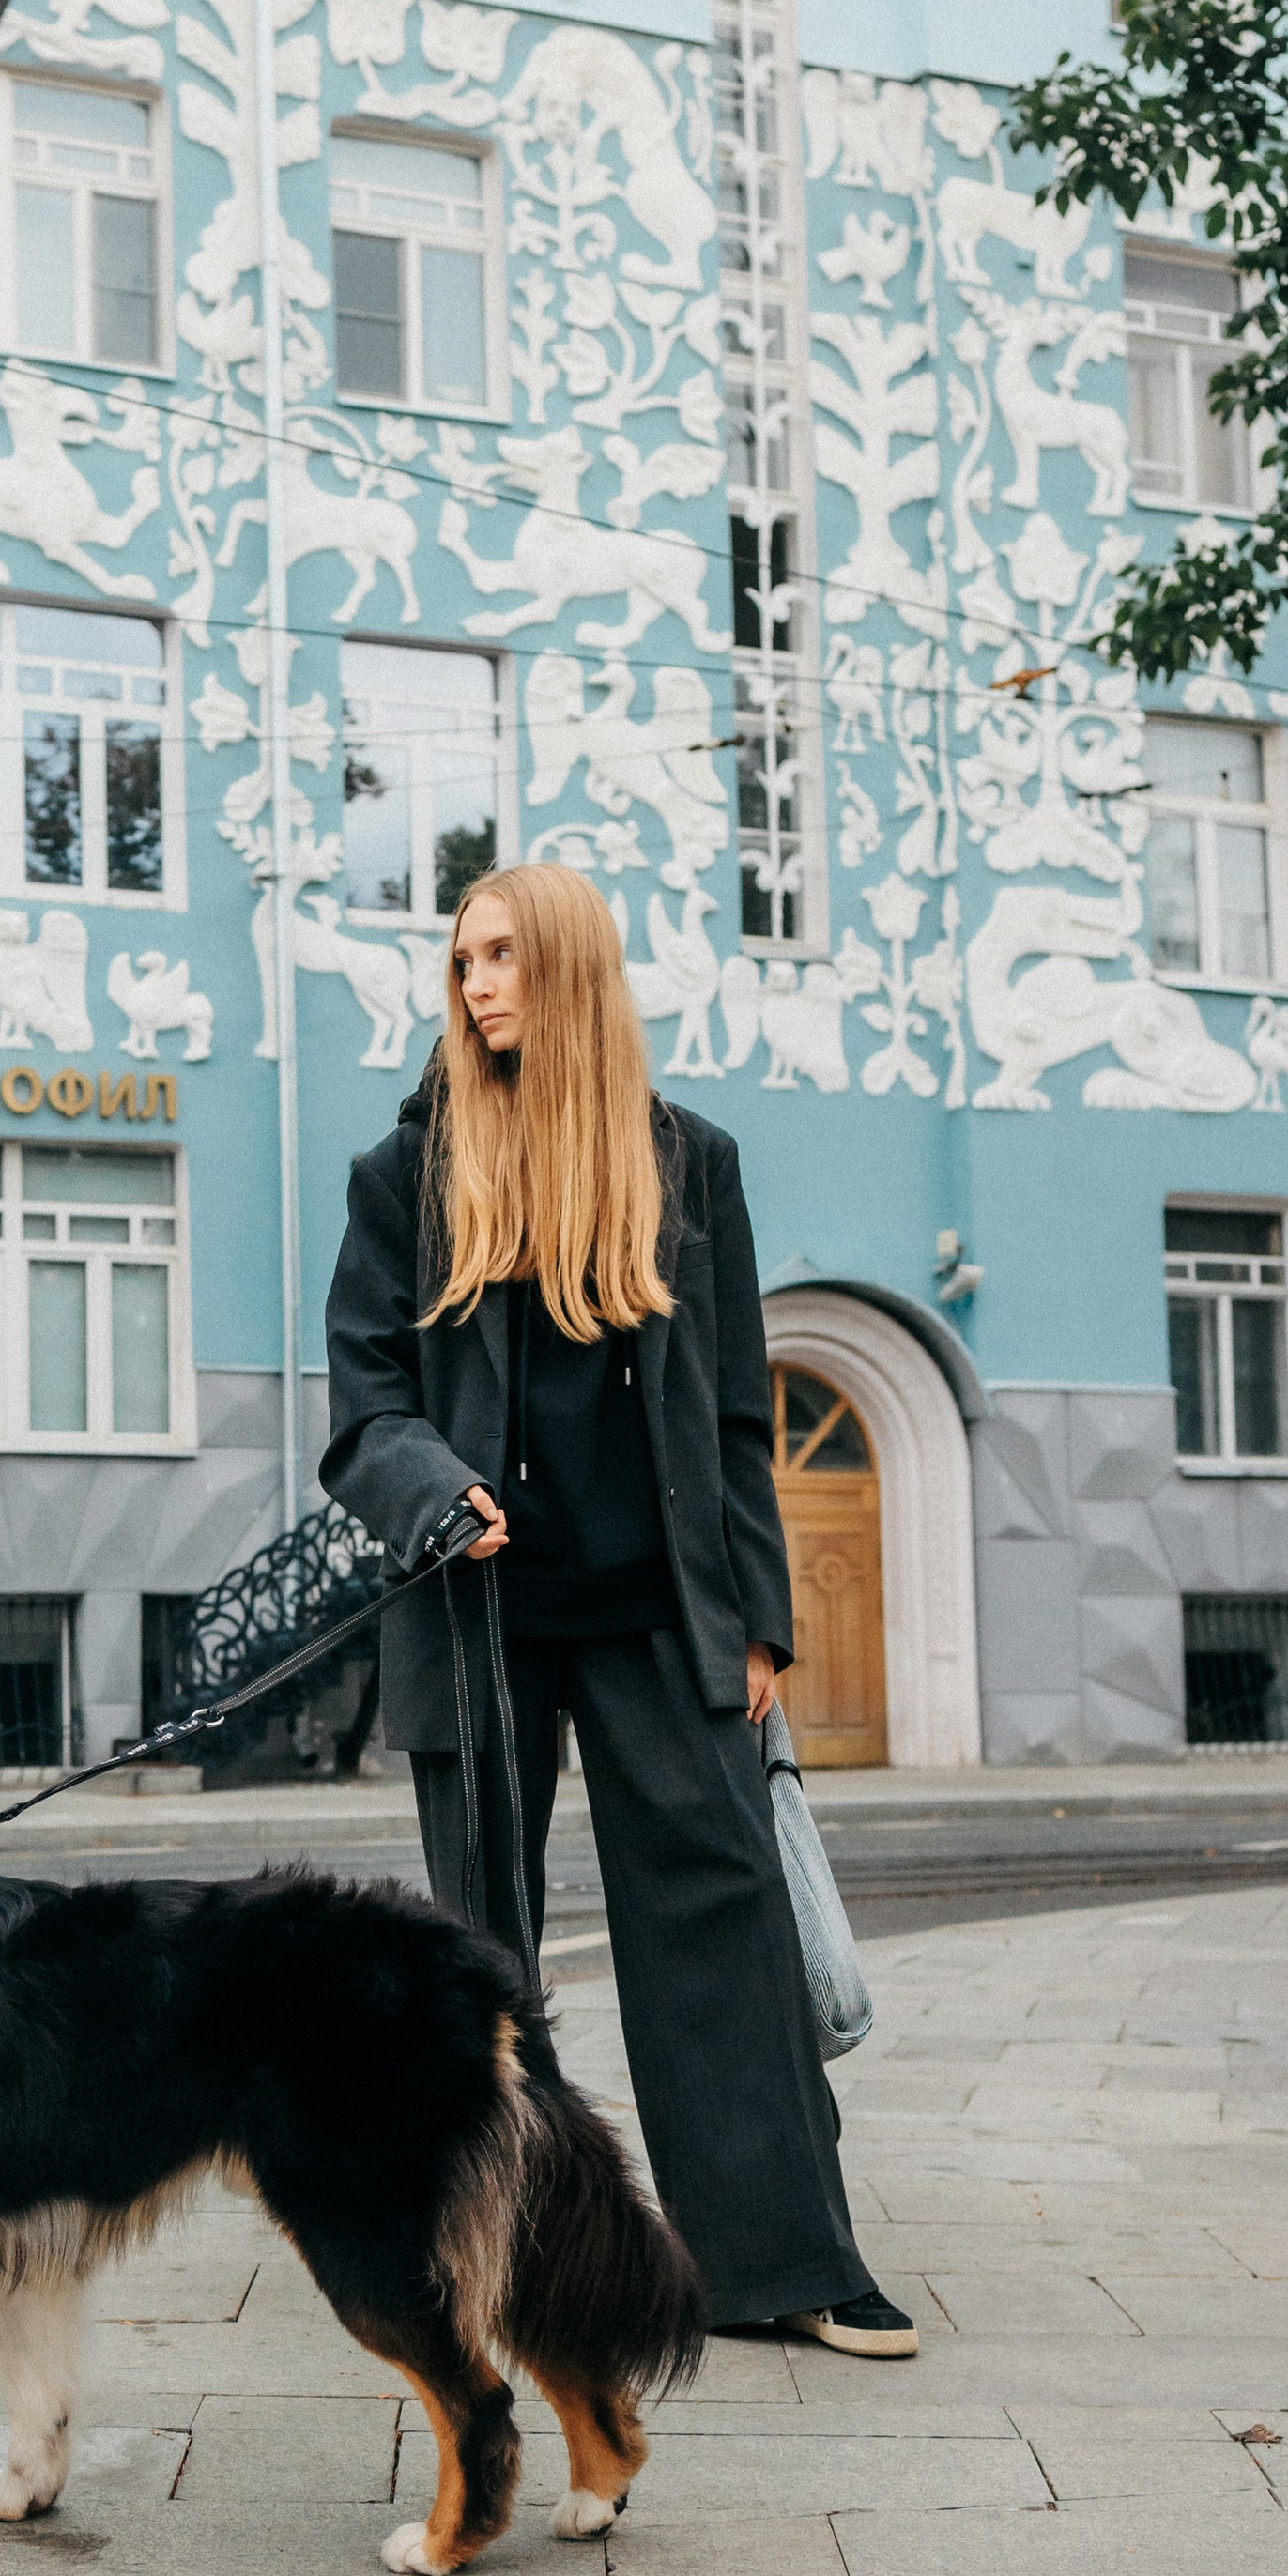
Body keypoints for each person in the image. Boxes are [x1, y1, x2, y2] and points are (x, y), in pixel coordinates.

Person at [320, 861, 916, 2359]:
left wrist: (760, 1620)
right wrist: (433, 1488)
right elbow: (366, 1404)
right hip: (480, 1613)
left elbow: (735, 1415)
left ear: (572, 966)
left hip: (663, 1609)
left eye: (504, 956)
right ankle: (503, 2259)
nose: (477, 986)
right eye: (463, 962)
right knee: (483, 1949)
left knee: (725, 1916)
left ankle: (782, 2261)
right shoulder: (406, 1174)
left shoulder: (689, 1163)